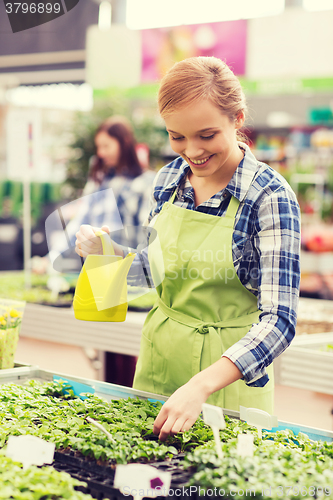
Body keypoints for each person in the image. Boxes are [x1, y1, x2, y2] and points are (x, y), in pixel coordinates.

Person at [75, 57, 301, 441]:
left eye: (206, 135)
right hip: (158, 366)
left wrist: (202, 385)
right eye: (177, 136)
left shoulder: (269, 196)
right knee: (149, 481)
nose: (192, 151)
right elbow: (155, 272)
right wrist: (106, 252)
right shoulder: (169, 181)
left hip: (225, 384)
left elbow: (279, 320)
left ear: (237, 118)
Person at [34, 116, 155, 274]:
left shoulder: (145, 183)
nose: (101, 152)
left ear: (124, 143)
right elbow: (79, 223)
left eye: (106, 146)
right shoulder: (98, 182)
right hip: (96, 273)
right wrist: (52, 258)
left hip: (128, 273)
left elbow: (145, 233)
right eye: (99, 147)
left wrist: (144, 272)